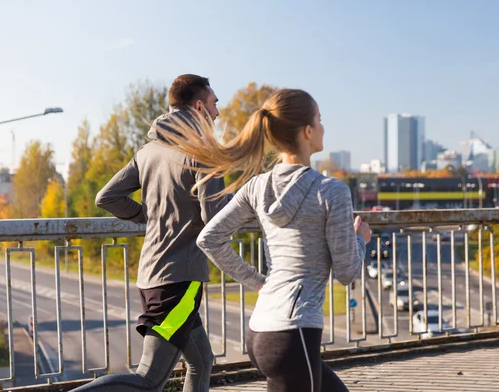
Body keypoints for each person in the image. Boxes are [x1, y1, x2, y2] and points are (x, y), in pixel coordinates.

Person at [155, 88, 371, 392]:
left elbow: (210, 239)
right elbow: (347, 272)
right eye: (320, 120)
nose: (323, 127)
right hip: (294, 333)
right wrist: (360, 239)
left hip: (261, 331)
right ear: (308, 132)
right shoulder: (331, 191)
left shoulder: (257, 187)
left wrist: (259, 283)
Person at [72, 74, 226, 392]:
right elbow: (216, 219)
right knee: (148, 379)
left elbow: (107, 197)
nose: (217, 113)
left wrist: (148, 216)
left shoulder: (148, 151)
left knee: (202, 361)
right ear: (199, 106)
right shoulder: (206, 152)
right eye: (214, 104)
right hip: (179, 283)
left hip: (151, 277)